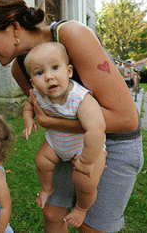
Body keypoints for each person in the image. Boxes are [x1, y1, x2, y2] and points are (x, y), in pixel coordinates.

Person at [0, 0, 144, 233]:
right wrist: (44, 120)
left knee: (89, 227)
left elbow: (126, 119)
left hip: (115, 143)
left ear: (13, 28)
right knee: (53, 214)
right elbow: (49, 114)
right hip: (69, 143)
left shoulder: (71, 35)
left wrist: (50, 122)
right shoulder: (20, 69)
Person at [23, 42, 106, 228]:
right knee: (41, 161)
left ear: (69, 71)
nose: (48, 76)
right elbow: (28, 104)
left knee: (84, 182)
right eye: (39, 73)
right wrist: (28, 118)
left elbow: (96, 129)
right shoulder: (38, 94)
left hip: (83, 147)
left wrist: (87, 160)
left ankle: (81, 208)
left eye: (54, 68)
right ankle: (46, 188)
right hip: (56, 142)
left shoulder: (80, 98)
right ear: (32, 82)